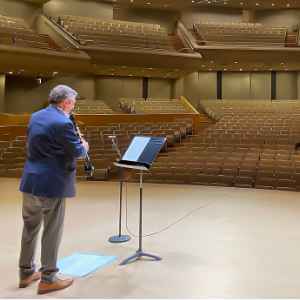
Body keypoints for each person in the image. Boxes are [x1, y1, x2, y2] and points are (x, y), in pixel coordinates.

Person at [18, 85, 89, 294]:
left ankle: (26, 272)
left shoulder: (36, 116)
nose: (73, 107)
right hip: (51, 183)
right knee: (52, 230)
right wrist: (84, 144)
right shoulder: (63, 122)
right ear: (65, 102)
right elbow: (77, 151)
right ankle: (48, 278)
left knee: (30, 227)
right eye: (73, 103)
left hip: (31, 180)